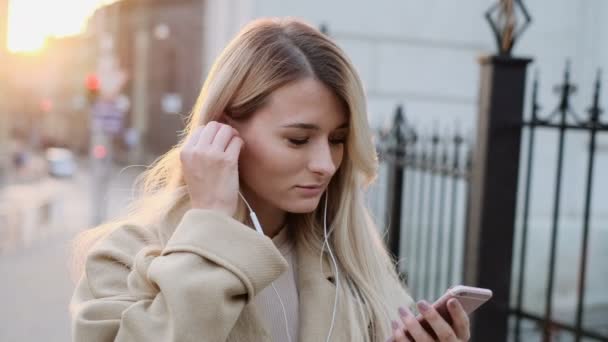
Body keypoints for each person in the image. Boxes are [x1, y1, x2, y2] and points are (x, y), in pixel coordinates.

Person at [70, 17, 471, 342]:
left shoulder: (352, 257)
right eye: (298, 139)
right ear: (224, 130)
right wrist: (211, 227)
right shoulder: (124, 255)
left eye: (337, 139)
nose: (325, 164)